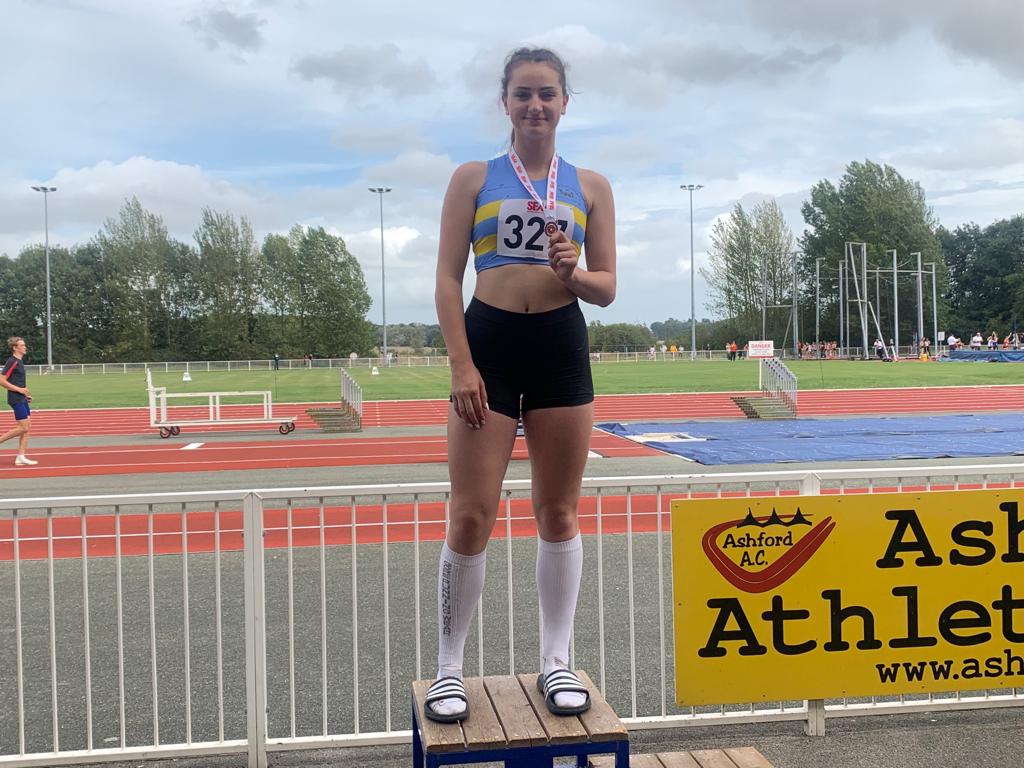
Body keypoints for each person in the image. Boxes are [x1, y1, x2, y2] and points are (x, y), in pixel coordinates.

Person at [428, 47, 616, 724]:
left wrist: (573, 273)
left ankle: (556, 661)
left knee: (559, 512)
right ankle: (449, 670)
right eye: (523, 94)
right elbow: (447, 278)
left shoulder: (590, 185)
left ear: (565, 103)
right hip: (490, 346)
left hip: (560, 346)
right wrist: (461, 363)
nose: (535, 105)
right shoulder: (473, 178)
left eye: (547, 94)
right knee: (471, 514)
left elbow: (606, 288)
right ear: (505, 102)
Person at [0, 337, 38, 466]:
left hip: (21, 398)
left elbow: (18, 382)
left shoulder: (20, 361)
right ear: (15, 348)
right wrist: (19, 390)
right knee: (23, 427)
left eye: (24, 345)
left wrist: (25, 394)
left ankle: (21, 457)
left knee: (28, 428)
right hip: (15, 398)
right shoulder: (12, 361)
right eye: (22, 345)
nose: (25, 347)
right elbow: (2, 380)